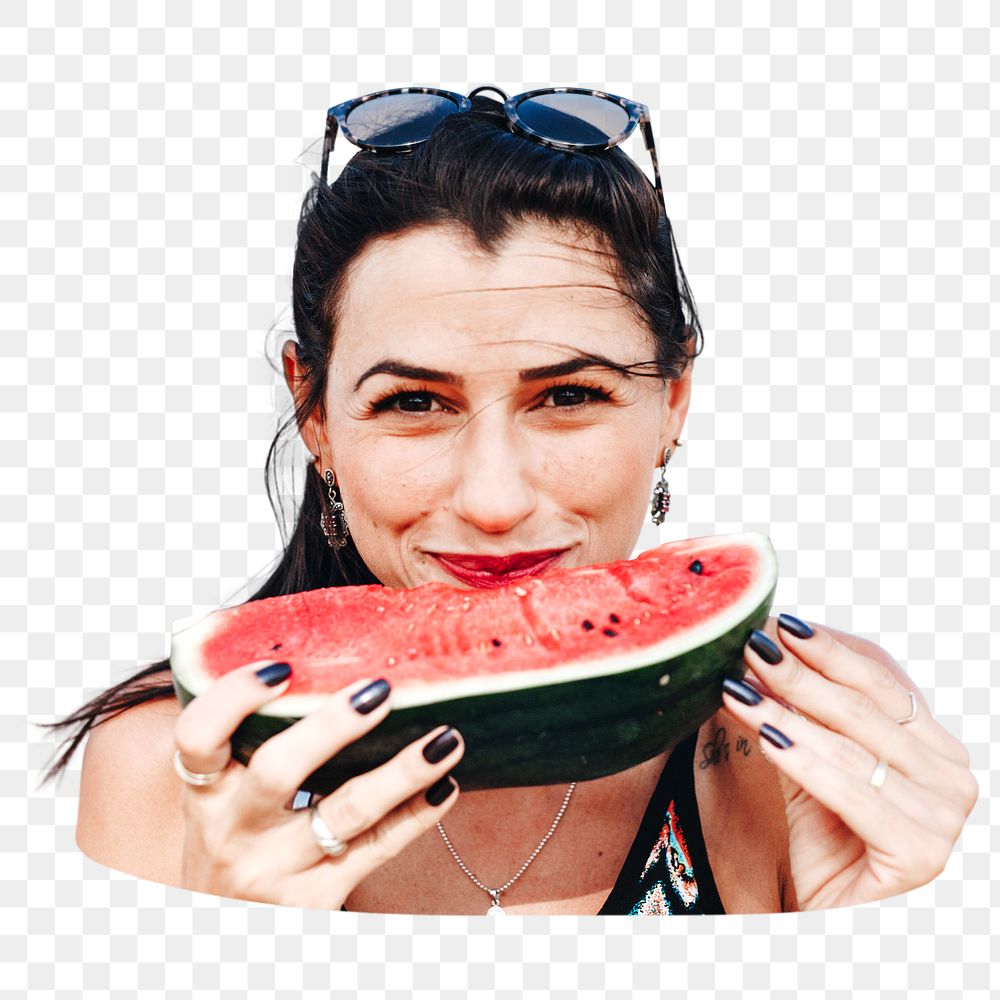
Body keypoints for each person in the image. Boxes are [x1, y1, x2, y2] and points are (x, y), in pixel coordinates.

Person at [41, 86, 976, 916]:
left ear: (672, 402)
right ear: (314, 412)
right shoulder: (166, 771)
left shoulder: (796, 746)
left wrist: (865, 949)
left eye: (569, 397)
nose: (493, 500)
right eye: (413, 403)